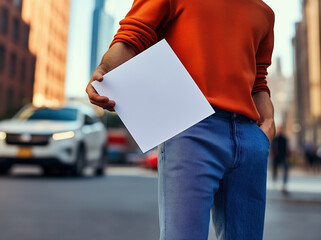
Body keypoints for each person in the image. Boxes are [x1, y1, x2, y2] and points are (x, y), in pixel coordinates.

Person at [86, 0, 275, 239]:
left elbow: (259, 79)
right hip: (192, 131)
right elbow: (133, 36)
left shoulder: (265, 13)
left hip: (250, 140)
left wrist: (268, 120)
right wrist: (105, 70)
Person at [271, 126, 289, 193]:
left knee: (285, 169)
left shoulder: (284, 139)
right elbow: (273, 147)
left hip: (282, 156)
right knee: (275, 170)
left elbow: (286, 147)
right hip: (276, 157)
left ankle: (284, 183)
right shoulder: (275, 139)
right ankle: (274, 180)